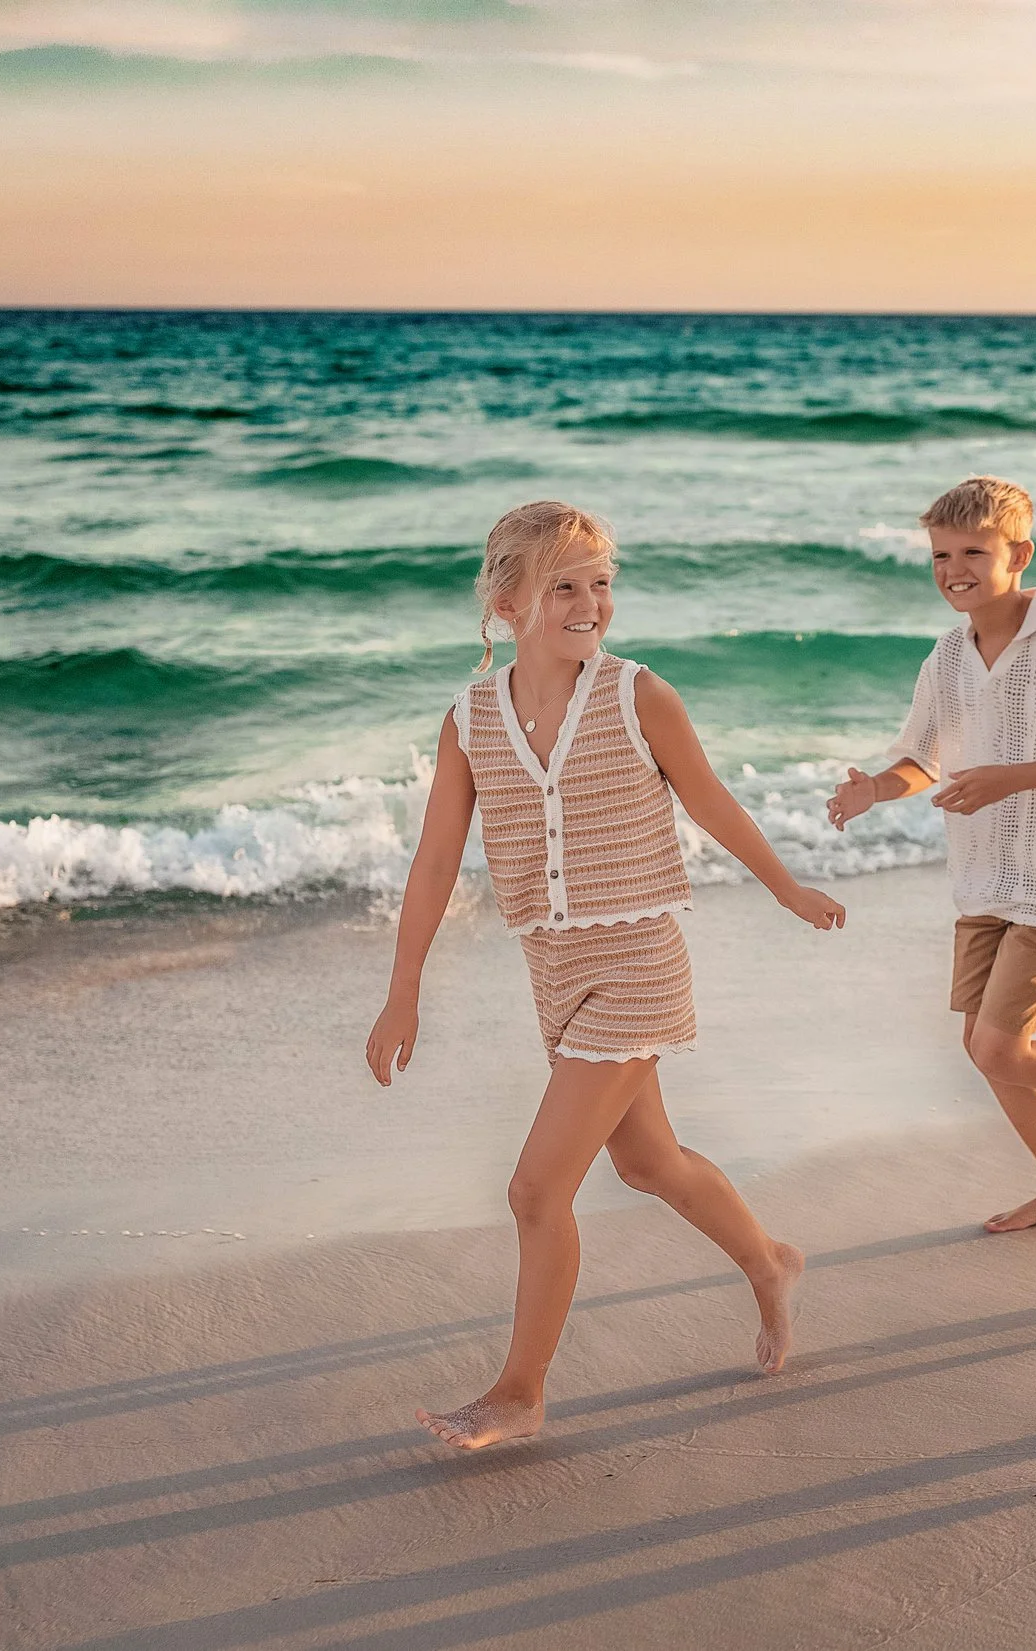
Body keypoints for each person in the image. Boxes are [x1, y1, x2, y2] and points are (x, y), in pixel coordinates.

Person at [366, 501, 845, 1449]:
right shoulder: (469, 720)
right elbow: (435, 859)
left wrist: (786, 886)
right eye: (564, 586)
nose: (590, 602)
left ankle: (520, 1392)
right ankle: (771, 1260)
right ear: (507, 603)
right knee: (647, 1161)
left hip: (637, 962)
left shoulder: (638, 695)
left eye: (601, 583)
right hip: (554, 970)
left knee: (536, 1189)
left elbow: (709, 800)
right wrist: (403, 986)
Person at [827, 475, 1036, 1234]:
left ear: (1019, 554)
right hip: (982, 879)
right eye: (941, 556)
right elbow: (923, 757)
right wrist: (874, 789)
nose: (954, 570)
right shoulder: (948, 654)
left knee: (1000, 1046)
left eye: (973, 553)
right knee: (986, 1048)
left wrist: (1008, 779)